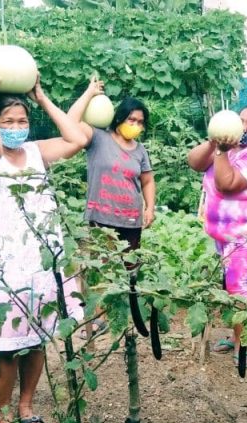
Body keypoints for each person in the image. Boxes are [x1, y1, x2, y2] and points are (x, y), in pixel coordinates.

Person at [0, 69, 87, 423]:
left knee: (37, 338)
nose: (16, 127)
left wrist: (42, 99)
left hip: (41, 263)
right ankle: (3, 414)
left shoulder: (36, 151)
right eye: (7, 121)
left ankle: (26, 406)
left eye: (22, 121)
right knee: (4, 346)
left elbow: (77, 138)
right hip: (0, 267)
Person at [186, 104, 247, 368]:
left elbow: (227, 184)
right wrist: (214, 142)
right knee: (234, 287)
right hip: (222, 233)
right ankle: (238, 336)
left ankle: (241, 346)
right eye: (240, 120)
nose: (243, 127)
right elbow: (194, 163)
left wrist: (222, 151)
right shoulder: (225, 148)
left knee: (236, 290)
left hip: (244, 236)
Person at [67, 83, 156, 338]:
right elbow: (70, 122)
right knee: (99, 269)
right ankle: (98, 319)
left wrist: (150, 207)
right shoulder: (97, 137)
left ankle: (124, 320)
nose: (136, 125)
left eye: (140, 122)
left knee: (129, 271)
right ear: (119, 118)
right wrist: (89, 93)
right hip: (102, 218)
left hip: (130, 220)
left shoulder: (140, 150)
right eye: (131, 119)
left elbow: (147, 180)